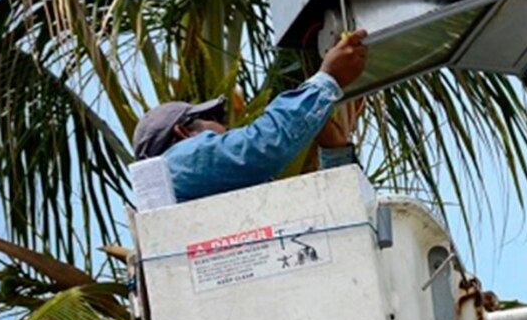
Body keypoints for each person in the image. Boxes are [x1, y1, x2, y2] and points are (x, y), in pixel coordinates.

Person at [133, 30, 368, 202]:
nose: (228, 130)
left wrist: (335, 153)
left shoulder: (213, 193)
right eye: (215, 121)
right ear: (184, 132)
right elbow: (263, 146)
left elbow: (339, 212)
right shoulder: (176, 164)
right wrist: (327, 80)